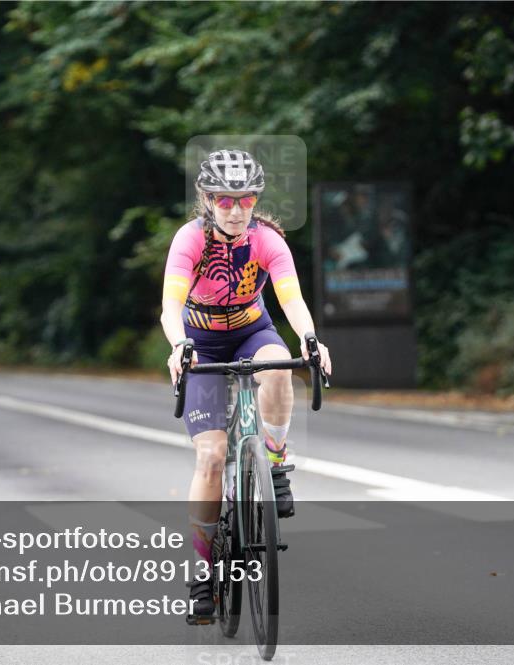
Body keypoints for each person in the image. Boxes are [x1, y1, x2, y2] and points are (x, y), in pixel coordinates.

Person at [161, 149, 333, 623]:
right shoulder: (189, 239)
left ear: (256, 199)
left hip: (252, 332)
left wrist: (311, 338)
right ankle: (202, 570)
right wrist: (179, 345)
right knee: (212, 456)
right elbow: (170, 305)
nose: (236, 210)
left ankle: (274, 461)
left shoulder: (267, 240)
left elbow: (291, 298)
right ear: (207, 199)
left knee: (278, 367)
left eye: (246, 199)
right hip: (200, 342)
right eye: (224, 200)